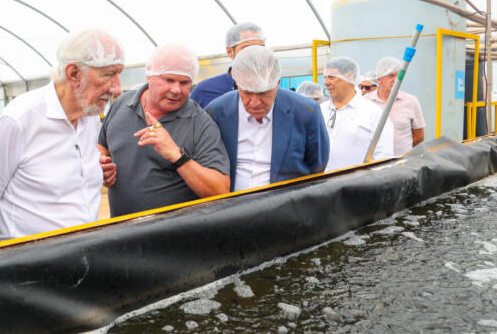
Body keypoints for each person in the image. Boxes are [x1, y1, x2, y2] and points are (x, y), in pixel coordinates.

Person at [0, 29, 125, 246]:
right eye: (108, 74)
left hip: (84, 254)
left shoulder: (90, 118)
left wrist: (94, 171)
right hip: (27, 263)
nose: (117, 88)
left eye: (119, 74)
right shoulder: (19, 119)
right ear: (73, 73)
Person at [99, 43, 230, 217]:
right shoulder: (122, 104)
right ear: (149, 76)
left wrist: (176, 155)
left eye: (184, 83)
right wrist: (101, 166)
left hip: (174, 237)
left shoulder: (200, 123)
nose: (176, 90)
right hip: (121, 233)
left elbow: (220, 190)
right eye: (169, 80)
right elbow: (102, 146)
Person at [206, 46, 330, 191]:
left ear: (277, 83)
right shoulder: (217, 111)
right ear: (237, 84)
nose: (254, 103)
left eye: (263, 93)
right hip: (232, 209)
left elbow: (318, 165)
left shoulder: (306, 112)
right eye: (246, 93)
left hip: (285, 206)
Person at [320, 57, 394, 170]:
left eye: (332, 77)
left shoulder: (373, 113)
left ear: (349, 76)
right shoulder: (320, 111)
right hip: (321, 185)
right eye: (325, 77)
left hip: (359, 185)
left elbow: (384, 156)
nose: (326, 82)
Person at [189, 22, 266, 108]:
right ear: (230, 52)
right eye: (246, 48)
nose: (254, 53)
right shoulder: (205, 91)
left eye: (259, 48)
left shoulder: (270, 88)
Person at [366, 57, 425, 155]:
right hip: (374, 164)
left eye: (399, 75)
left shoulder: (411, 102)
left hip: (403, 164)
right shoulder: (366, 103)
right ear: (379, 79)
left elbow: (419, 137)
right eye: (391, 75)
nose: (396, 79)